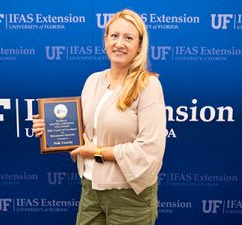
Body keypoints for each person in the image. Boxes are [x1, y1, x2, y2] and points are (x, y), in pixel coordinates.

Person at [33, 9, 166, 225]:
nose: (119, 43)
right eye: (114, 36)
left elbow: (150, 149)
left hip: (129, 197)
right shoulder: (93, 81)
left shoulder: (148, 86)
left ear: (139, 46)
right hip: (90, 190)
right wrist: (49, 129)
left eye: (128, 38)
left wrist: (96, 152)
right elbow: (80, 132)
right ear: (105, 40)